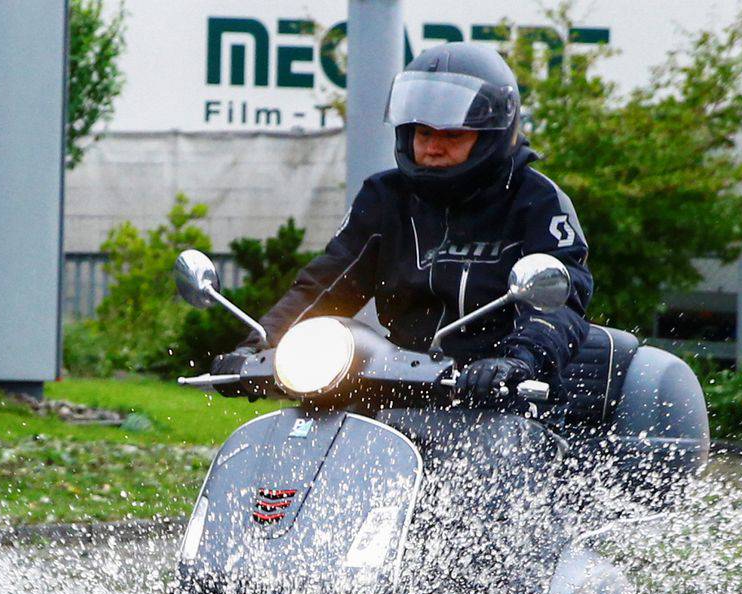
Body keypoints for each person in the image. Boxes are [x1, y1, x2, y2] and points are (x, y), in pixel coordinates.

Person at [215, 42, 593, 400]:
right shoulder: (385, 197)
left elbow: (559, 302)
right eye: (424, 133)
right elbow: (328, 284)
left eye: (452, 134)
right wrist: (260, 346)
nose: (432, 147)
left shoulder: (537, 201)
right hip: (399, 385)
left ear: (492, 135)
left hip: (503, 397)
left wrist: (520, 362)